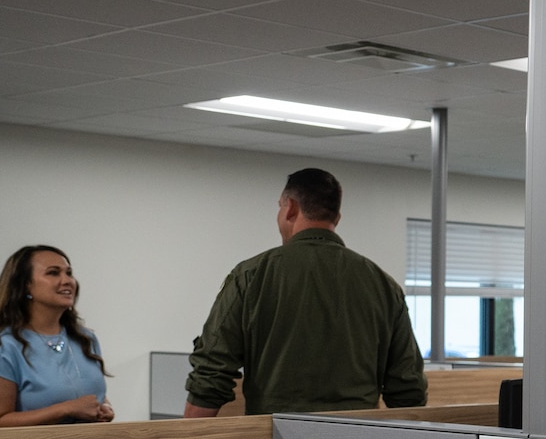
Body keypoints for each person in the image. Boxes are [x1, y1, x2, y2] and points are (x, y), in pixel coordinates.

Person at [183, 168, 427, 416]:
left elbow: (211, 374)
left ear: (289, 208)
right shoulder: (384, 286)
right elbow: (407, 389)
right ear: (337, 218)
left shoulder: (251, 276)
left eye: (279, 207)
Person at [0, 245, 114, 427]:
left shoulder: (84, 339)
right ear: (25, 285)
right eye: (53, 273)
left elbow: (92, 395)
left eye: (69, 273)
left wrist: (104, 407)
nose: (67, 281)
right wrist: (66, 409)